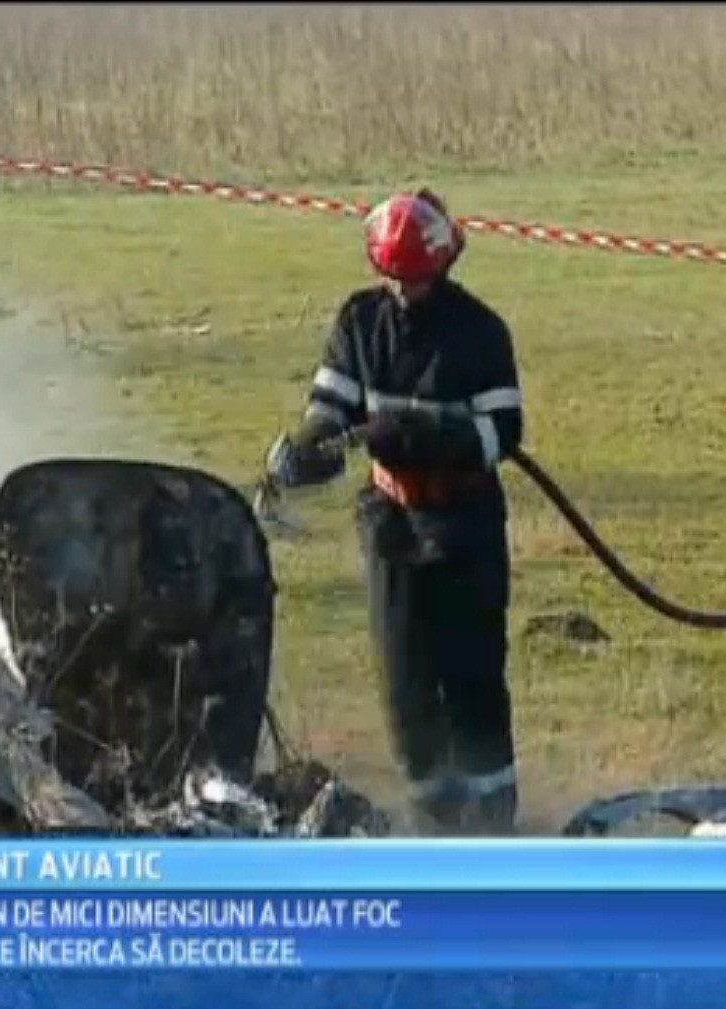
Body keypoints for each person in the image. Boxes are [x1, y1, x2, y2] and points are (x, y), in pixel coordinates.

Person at [264, 188, 526, 834]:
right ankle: (434, 814)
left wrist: (421, 437)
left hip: (465, 525)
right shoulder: (360, 322)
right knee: (405, 680)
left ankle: (493, 819)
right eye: (393, 277)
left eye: (414, 279)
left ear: (441, 266)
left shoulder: (481, 332)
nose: (403, 291)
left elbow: (504, 433)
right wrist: (309, 450)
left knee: (472, 676)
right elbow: (332, 409)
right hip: (392, 523)